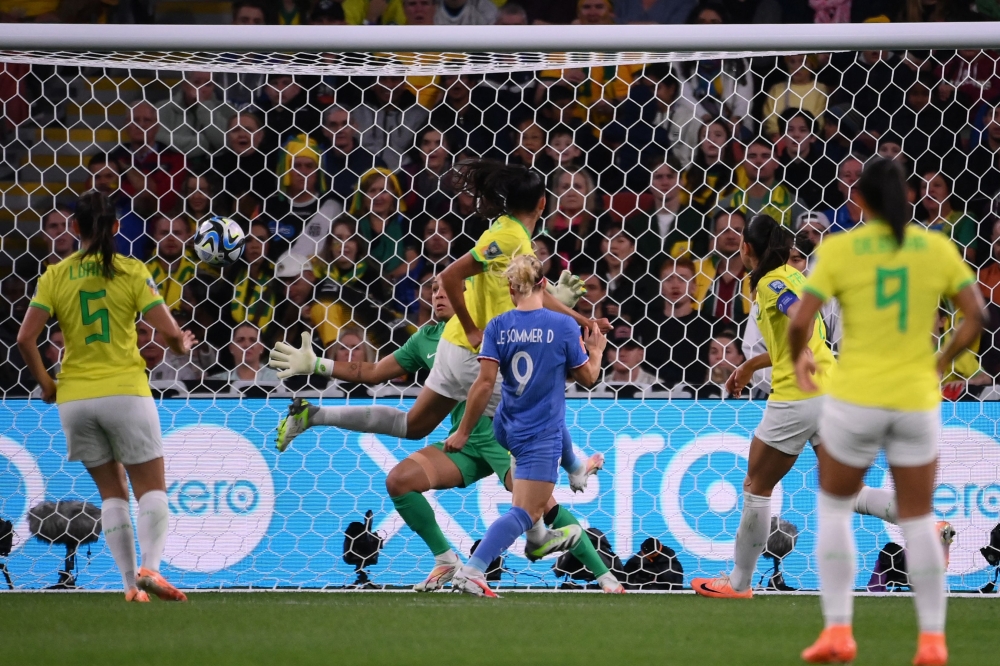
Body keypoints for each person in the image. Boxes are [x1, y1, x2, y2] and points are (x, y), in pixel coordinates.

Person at [271, 277, 621, 593]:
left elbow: (533, 333)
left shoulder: (488, 324)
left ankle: (605, 576)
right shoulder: (426, 339)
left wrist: (551, 302)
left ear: (471, 295)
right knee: (400, 480)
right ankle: (446, 559)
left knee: (540, 508)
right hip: (465, 442)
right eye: (432, 289)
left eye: (446, 287)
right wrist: (318, 364)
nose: (438, 293)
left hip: (505, 435)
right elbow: (373, 371)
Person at [266, 159, 600, 467]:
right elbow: (451, 274)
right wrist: (471, 327)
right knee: (539, 415)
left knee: (411, 425)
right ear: (543, 203)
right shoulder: (509, 236)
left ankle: (313, 415)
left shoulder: (511, 232)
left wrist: (581, 319)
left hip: (454, 348)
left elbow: (537, 289)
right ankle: (552, 509)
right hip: (474, 354)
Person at [788, 158, 986, 665]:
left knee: (834, 507)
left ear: (861, 201)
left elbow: (800, 321)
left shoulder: (841, 250)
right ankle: (933, 641)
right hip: (917, 398)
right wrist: (941, 360)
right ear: (910, 198)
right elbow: (976, 316)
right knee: (919, 519)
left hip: (856, 398)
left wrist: (800, 361)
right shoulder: (935, 247)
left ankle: (837, 631)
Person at [691, 213, 898, 597]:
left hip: (798, 396)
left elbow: (795, 316)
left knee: (757, 486)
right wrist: (752, 363)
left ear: (746, 248)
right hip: (832, 391)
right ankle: (930, 524)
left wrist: (799, 356)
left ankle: (738, 583)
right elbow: (796, 334)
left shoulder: (771, 282)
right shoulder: (800, 277)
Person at [16, 191, 193, 603]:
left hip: (75, 398)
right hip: (124, 391)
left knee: (111, 494)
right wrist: (181, 345)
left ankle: (130, 586)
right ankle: (151, 567)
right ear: (116, 228)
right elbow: (167, 331)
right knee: (151, 488)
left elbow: (26, 338)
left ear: (74, 228)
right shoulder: (132, 270)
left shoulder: (55, 275)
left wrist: (46, 383)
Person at [442, 255, 607, 596]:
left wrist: (463, 431)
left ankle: (575, 468)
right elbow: (589, 378)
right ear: (544, 285)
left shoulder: (498, 325)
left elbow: (485, 384)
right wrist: (597, 350)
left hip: (506, 425)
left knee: (550, 406)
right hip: (540, 435)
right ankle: (474, 569)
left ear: (510, 288)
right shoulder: (563, 326)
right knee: (527, 512)